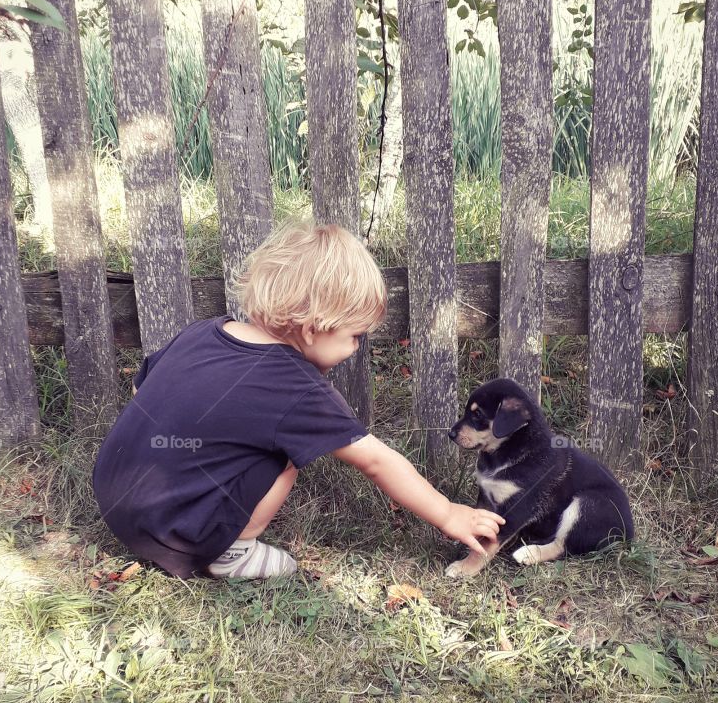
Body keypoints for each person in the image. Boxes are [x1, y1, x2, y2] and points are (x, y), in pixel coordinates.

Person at [92, 219, 505, 580]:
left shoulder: (204, 332)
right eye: (355, 335)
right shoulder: (294, 385)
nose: (357, 347)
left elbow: (142, 391)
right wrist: (450, 513)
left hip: (114, 500)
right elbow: (376, 461)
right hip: (177, 533)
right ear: (313, 327)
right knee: (285, 457)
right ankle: (232, 554)